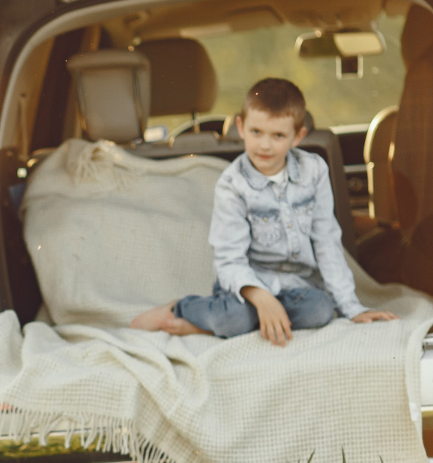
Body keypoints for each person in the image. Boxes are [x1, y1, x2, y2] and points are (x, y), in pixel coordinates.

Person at [132, 77, 397, 345]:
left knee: (321, 310)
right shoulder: (232, 184)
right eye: (256, 132)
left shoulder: (314, 171)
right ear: (241, 127)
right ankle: (180, 308)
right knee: (234, 318)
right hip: (247, 287)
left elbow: (326, 242)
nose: (265, 145)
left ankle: (215, 327)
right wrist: (262, 299)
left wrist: (352, 308)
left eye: (278, 136)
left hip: (297, 286)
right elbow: (229, 260)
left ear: (298, 136)